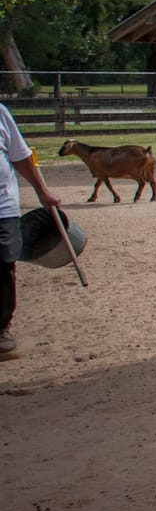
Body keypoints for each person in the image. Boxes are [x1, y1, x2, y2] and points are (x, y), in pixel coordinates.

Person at [1, 101, 62, 359]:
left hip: (3, 208)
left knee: (3, 265)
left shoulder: (0, 113)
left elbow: (21, 156)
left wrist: (43, 191)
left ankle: (1, 329)